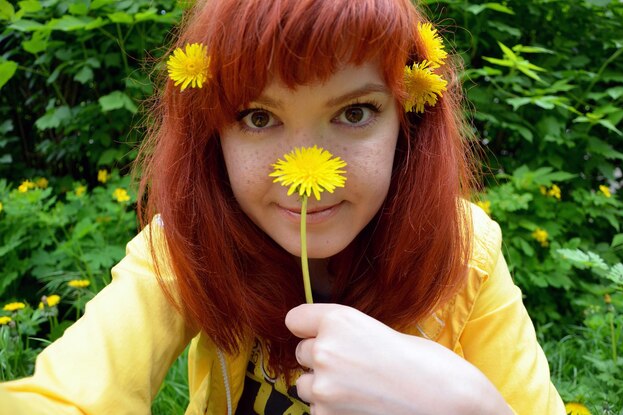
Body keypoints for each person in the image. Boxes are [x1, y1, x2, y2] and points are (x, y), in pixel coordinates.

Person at [0, 0, 566, 414]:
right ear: (213, 135)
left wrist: (468, 410)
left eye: (354, 113)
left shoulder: (468, 253)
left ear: (408, 120)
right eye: (259, 118)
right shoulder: (187, 246)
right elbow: (65, 400)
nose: (308, 179)